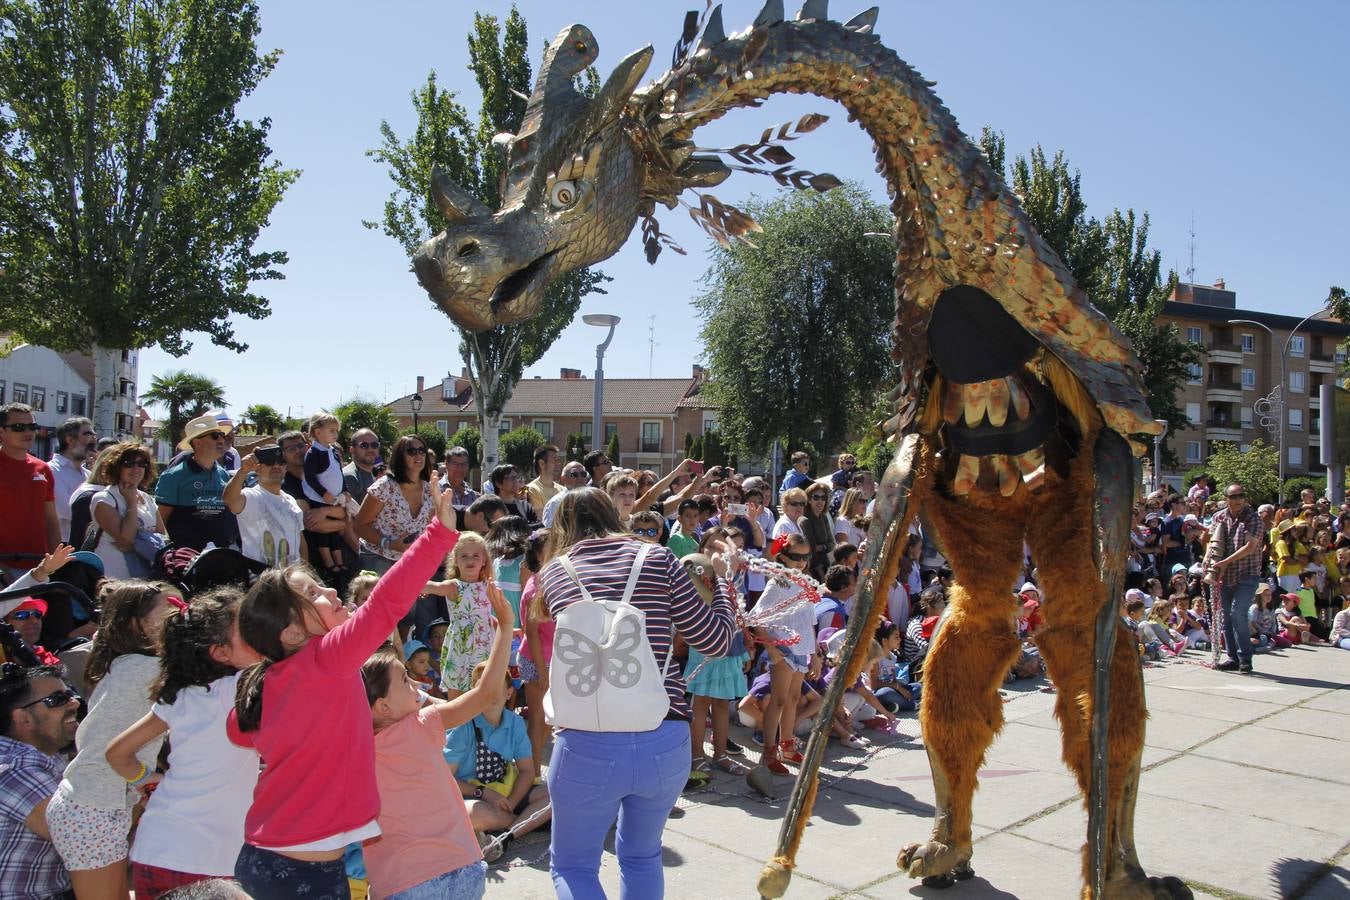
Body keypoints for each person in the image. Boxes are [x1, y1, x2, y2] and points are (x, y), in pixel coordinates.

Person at [227, 479, 459, 899]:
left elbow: (235, 731)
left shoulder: (266, 683)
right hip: (304, 871)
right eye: (313, 593)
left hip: (265, 856)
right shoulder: (327, 660)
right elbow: (385, 603)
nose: (331, 590)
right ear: (291, 630)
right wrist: (438, 535)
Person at [536, 487, 734, 899]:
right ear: (615, 515)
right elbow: (715, 642)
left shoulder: (553, 573)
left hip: (585, 742)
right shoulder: (658, 558)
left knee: (573, 865)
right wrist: (725, 586)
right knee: (642, 856)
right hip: (663, 735)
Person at [104, 590, 262, 899]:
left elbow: (117, 753)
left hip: (155, 850)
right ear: (220, 652)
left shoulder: (180, 695)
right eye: (249, 628)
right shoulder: (243, 688)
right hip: (207, 862)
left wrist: (147, 782)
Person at [359, 581, 511, 900]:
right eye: (404, 680)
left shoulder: (354, 749)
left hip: (400, 883)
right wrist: (505, 629)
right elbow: (484, 694)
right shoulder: (422, 724)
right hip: (460, 871)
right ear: (382, 705)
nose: (415, 683)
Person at [45, 582, 179, 898]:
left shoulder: (130, 663)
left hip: (94, 805)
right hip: (92, 809)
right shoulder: (148, 668)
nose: (182, 614)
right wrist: (149, 779)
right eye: (171, 607)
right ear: (136, 623)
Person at [444, 662, 551, 858]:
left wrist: (511, 801)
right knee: (472, 815)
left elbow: (527, 770)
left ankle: (504, 835)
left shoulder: (515, 722)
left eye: (495, 687)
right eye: (483, 689)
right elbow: (445, 778)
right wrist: (484, 793)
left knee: (554, 796)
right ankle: (528, 822)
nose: (489, 694)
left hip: (507, 792)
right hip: (474, 796)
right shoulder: (462, 726)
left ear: (509, 693)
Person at [0, 662, 80, 900]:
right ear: (23, 718)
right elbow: (80, 833)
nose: (74, 702)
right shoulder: (15, 768)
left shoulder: (45, 758)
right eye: (57, 699)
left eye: (70, 694)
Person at [754, 533, 821, 775]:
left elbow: (810, 620)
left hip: (802, 648)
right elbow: (756, 617)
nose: (801, 562)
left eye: (806, 557)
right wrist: (772, 650)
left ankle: (788, 744)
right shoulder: (777, 584)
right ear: (782, 557)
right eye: (796, 557)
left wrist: (814, 654)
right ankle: (769, 752)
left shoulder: (804, 582)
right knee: (779, 700)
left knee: (792, 699)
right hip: (783, 648)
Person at [423, 533, 493, 698]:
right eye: (464, 556)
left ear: (484, 560)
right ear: (456, 561)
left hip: (484, 644)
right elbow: (432, 586)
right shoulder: (454, 586)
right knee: (458, 693)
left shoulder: (488, 586)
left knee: (484, 690)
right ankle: (458, 724)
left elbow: (492, 615)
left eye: (476, 556)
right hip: (460, 647)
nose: (470, 560)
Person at [355, 435, 436, 576]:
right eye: (411, 451)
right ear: (400, 456)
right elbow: (359, 525)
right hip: (378, 558)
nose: (418, 455)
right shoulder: (385, 486)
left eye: (422, 450)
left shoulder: (429, 490)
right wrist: (390, 544)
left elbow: (430, 528)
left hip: (411, 559)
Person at [155, 415, 238, 552]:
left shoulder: (223, 475)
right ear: (198, 443)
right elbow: (160, 520)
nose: (222, 440)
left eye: (222, 435)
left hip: (222, 557)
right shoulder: (173, 476)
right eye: (215, 436)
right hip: (185, 560)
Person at [1205, 483, 1263, 674]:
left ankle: (1245, 658)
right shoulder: (1218, 517)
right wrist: (1208, 558)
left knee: (1238, 613)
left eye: (1241, 496)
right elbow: (1212, 542)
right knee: (1226, 617)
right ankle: (1232, 658)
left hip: (1247, 573)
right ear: (1227, 499)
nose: (1238, 499)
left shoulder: (1253, 518)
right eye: (1234, 496)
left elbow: (1250, 547)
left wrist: (1224, 562)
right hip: (1225, 575)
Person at [0, 403, 60, 580]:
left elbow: (51, 519)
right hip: (4, 567)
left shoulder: (43, 468)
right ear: (1, 432)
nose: (28, 432)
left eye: (32, 426)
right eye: (19, 427)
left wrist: (56, 562)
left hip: (39, 567)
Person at [90, 441, 165, 579]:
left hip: (146, 576)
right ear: (117, 467)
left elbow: (162, 537)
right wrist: (131, 502)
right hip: (114, 577)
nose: (136, 468)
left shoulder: (147, 498)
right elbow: (126, 540)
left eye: (142, 464)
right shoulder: (103, 499)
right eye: (129, 463)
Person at [223, 447, 306, 568]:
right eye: (269, 462)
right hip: (262, 579)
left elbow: (300, 541)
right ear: (258, 469)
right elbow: (229, 499)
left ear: (285, 468)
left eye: (281, 462)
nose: (276, 465)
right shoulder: (250, 496)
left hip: (292, 578)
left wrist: (304, 573)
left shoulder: (291, 500)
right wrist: (243, 471)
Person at [300, 413, 350, 578]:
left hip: (334, 498)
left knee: (334, 532)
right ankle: (329, 562)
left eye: (336, 431)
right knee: (323, 533)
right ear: (317, 431)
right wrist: (324, 493)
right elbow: (310, 477)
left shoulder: (333, 451)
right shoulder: (313, 452)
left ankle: (339, 561)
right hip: (318, 498)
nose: (335, 434)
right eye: (331, 430)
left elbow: (339, 474)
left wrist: (346, 490)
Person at [49, 417, 96, 543]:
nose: (93, 439)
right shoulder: (51, 471)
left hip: (84, 544)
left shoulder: (88, 474)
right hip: (61, 544)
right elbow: (66, 510)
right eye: (88, 434)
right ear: (69, 440)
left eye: (94, 434)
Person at [800, 484, 836, 580]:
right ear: (809, 500)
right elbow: (811, 550)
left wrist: (822, 547)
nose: (820, 501)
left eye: (823, 498)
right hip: (812, 570)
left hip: (825, 566)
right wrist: (821, 575)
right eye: (816, 497)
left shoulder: (823, 517)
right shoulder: (805, 519)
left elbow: (832, 543)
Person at [540, 461, 588, 528]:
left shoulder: (593, 499)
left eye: (583, 474)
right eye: (574, 475)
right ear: (563, 479)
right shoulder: (556, 503)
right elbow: (549, 531)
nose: (580, 478)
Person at [343, 429, 382, 506]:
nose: (370, 449)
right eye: (364, 445)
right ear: (352, 449)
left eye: (374, 445)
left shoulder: (380, 473)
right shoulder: (350, 477)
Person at [524, 444, 562, 519]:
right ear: (542, 464)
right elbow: (542, 519)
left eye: (558, 459)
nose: (558, 463)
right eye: (554, 459)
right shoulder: (529, 489)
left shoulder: (563, 489)